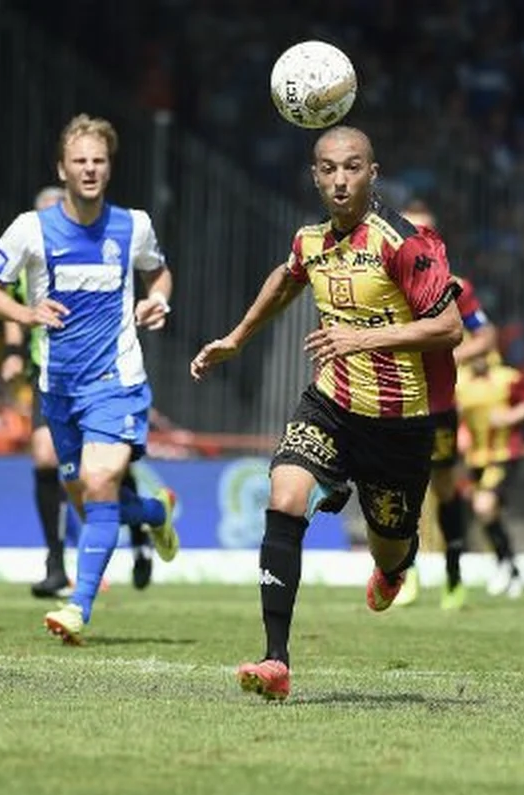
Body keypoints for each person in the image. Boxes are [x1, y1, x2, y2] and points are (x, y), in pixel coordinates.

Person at [190, 126, 462, 700]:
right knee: (285, 495)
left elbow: (448, 327)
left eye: (353, 167)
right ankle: (275, 659)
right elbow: (287, 279)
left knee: (391, 543)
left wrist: (362, 340)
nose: (341, 180)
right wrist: (238, 337)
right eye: (329, 169)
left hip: (399, 425)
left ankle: (393, 568)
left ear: (373, 173)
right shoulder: (311, 241)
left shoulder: (403, 242)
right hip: (332, 406)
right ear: (315, 175)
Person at [0, 114, 179, 644]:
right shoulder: (31, 229)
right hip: (59, 388)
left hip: (117, 381)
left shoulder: (132, 225)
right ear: (61, 169)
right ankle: (155, 511)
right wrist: (26, 315)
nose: (89, 169)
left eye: (98, 161)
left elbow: (158, 271)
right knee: (87, 499)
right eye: (79, 161)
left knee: (97, 483)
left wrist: (158, 299)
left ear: (109, 169)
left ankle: (77, 607)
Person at [2, 185, 159, 598]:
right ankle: (56, 563)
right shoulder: (30, 254)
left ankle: (141, 532)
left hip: (104, 380)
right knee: (47, 462)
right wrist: (14, 351)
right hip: (50, 378)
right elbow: (10, 304)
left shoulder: (107, 241)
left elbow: (151, 274)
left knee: (104, 475)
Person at [395, 198, 497, 610]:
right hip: (396, 401)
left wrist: (453, 357)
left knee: (442, 485)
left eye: (424, 232)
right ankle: (404, 573)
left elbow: (487, 337)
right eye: (409, 231)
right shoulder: (384, 281)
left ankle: (454, 572)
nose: (416, 239)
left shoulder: (456, 287)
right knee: (400, 488)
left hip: (437, 403)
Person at [456, 351, 524, 598]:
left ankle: (506, 566)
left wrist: (510, 416)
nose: (479, 358)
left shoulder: (507, 378)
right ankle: (509, 567)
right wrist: (461, 432)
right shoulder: (460, 381)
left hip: (502, 455)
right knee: (487, 515)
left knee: (484, 507)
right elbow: (455, 413)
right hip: (474, 458)